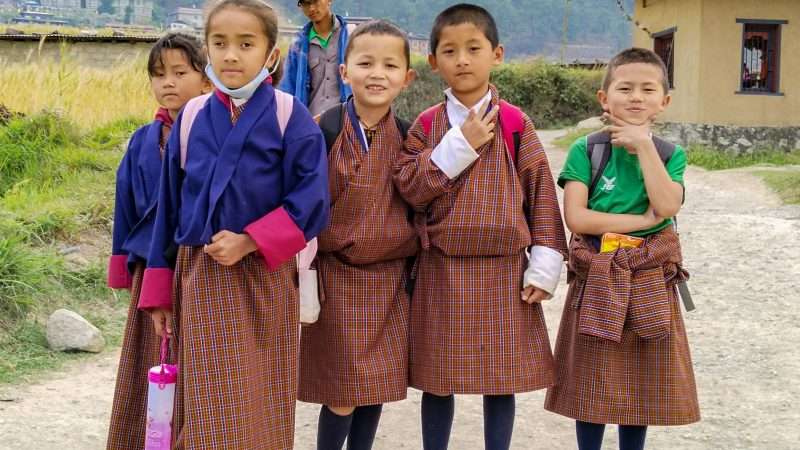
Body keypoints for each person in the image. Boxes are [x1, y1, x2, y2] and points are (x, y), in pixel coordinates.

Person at [138, 0, 329, 447]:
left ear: (269, 54)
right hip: (202, 276)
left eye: (246, 44)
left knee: (260, 393)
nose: (231, 55)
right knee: (208, 399)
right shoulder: (192, 116)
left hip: (265, 279)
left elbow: (312, 200)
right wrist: (159, 292)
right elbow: (167, 211)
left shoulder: (290, 116)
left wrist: (250, 240)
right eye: (219, 43)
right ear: (207, 51)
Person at [393, 4, 568, 449]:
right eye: (449, 51)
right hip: (442, 269)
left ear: (497, 54)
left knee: (500, 378)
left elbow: (542, 195)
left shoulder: (514, 123)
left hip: (503, 271)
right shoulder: (428, 125)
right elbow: (410, 189)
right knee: (438, 378)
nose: (463, 60)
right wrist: (459, 146)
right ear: (433, 62)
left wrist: (544, 266)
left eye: (474, 48)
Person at [544, 47, 700, 450]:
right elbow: (577, 218)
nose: (635, 97)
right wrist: (643, 223)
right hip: (597, 273)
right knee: (591, 377)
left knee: (642, 377)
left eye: (648, 90)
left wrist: (644, 147)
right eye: (625, 87)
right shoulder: (587, 150)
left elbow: (667, 204)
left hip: (649, 276)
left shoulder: (670, 154)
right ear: (603, 98)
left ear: (663, 102)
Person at [298, 20, 418, 450]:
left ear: (407, 77)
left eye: (390, 65)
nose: (377, 73)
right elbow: (302, 201)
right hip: (337, 276)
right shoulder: (322, 128)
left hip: (390, 280)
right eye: (365, 62)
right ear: (345, 71)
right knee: (343, 390)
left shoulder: (410, 136)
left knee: (377, 386)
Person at [105, 32, 209, 450]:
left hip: (196, 265)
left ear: (206, 80)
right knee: (148, 361)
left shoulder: (213, 137)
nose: (168, 83)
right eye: (159, 74)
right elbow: (125, 203)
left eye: (181, 72)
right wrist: (124, 265)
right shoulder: (141, 141)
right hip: (151, 268)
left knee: (196, 362)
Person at [279, 0, 352, 116]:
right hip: (311, 122)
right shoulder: (298, 47)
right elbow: (287, 89)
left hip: (346, 120)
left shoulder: (351, 37)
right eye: (306, 4)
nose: (311, 8)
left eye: (315, 1)